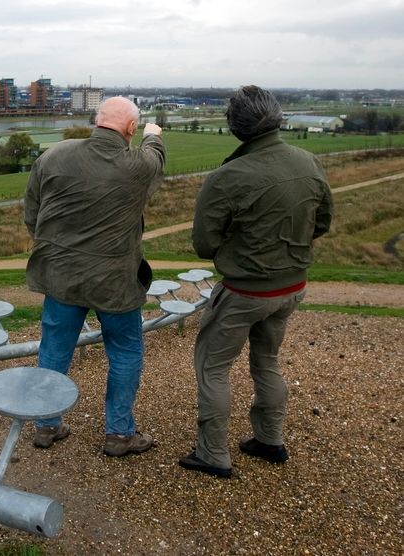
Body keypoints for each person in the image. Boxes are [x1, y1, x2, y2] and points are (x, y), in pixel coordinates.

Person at [179, 85, 334, 478]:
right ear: (277, 117)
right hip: (291, 286)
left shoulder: (228, 176)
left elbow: (203, 244)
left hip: (245, 290)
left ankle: (213, 453)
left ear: (236, 127)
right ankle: (270, 438)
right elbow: (323, 223)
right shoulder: (309, 161)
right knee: (267, 361)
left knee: (213, 366)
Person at [24, 96, 165, 456]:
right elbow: (156, 157)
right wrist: (153, 134)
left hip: (62, 276)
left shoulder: (54, 155)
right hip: (115, 281)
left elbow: (33, 214)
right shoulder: (137, 164)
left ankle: (46, 425)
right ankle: (119, 434)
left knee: (54, 349)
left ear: (96, 121)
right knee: (125, 350)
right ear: (130, 128)